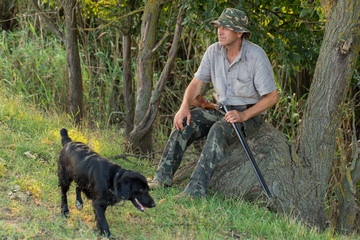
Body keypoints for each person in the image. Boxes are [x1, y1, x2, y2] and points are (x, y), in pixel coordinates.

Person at [149, 8, 279, 199]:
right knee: (185, 121)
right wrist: (184, 107)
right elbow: (196, 84)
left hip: (248, 116)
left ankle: (195, 191)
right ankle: (162, 178)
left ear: (239, 33)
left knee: (219, 129)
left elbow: (272, 97)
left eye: (226, 28)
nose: (220, 31)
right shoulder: (213, 51)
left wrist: (243, 116)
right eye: (219, 26)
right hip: (220, 110)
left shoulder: (256, 56)